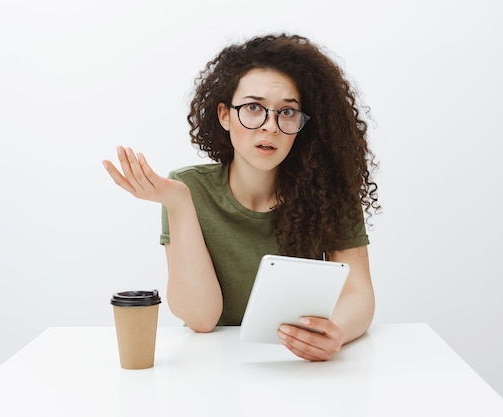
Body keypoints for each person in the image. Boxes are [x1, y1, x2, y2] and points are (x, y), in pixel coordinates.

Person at [102, 33, 380, 361]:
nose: (270, 127)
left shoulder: (329, 192)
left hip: (296, 366)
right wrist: (178, 205)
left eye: (287, 112)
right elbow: (201, 319)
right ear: (224, 115)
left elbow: (359, 294)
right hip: (210, 367)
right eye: (253, 108)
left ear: (303, 123)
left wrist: (336, 330)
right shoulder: (185, 189)